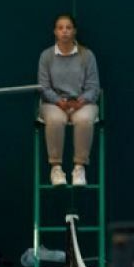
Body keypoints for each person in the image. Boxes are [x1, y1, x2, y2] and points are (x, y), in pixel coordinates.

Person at [37, 13, 101, 187]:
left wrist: (82, 100)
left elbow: (93, 87)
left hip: (82, 103)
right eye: (60, 28)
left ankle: (79, 168)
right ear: (55, 32)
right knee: (55, 120)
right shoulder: (46, 56)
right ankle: (56, 168)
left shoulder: (87, 55)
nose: (64, 31)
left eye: (68, 27)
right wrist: (58, 101)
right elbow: (44, 87)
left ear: (74, 31)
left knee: (84, 119)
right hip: (54, 103)